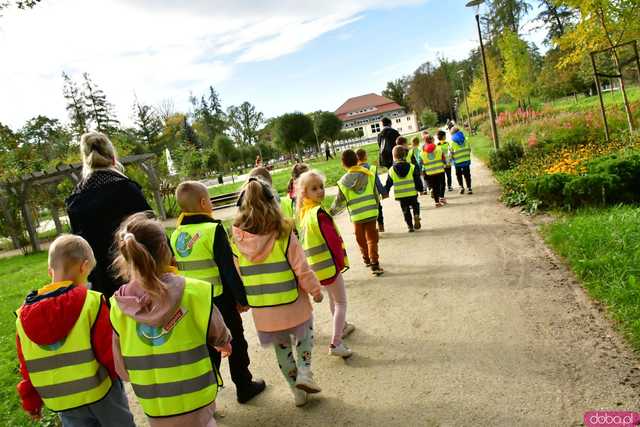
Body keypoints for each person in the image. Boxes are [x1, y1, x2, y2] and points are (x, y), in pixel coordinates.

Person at [111, 213, 231, 427]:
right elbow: (217, 328)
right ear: (166, 251)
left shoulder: (118, 305)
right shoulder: (192, 291)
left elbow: (121, 366)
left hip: (155, 403)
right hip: (196, 394)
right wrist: (223, 341)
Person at [15, 234, 135, 427]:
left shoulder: (23, 317)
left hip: (64, 401)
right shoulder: (92, 302)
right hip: (101, 393)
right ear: (84, 266)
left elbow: (26, 366)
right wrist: (129, 375)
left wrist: (31, 401)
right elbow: (109, 352)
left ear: (49, 270)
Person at [170, 181, 266, 404]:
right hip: (220, 301)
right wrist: (241, 299)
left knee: (207, 348)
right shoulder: (212, 230)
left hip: (193, 302)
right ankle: (244, 385)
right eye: (210, 200)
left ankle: (207, 394)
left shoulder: (176, 235)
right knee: (235, 342)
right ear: (204, 203)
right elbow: (228, 269)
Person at [232, 178, 324, 407]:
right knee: (305, 335)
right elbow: (301, 267)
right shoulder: (283, 233)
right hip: (293, 303)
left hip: (264, 309)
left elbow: (238, 274)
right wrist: (315, 290)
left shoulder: (237, 240)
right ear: (273, 202)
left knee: (282, 350)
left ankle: (297, 393)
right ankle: (305, 372)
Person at [65, 131, 151, 298]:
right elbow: (151, 233)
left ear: (85, 160)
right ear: (112, 157)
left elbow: (80, 249)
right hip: (138, 278)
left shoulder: (76, 201)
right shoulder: (127, 190)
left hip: (102, 288)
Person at [296, 170, 355, 358]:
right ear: (305, 192)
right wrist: (339, 262)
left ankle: (342, 326)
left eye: (321, 187)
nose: (320, 191)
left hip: (316, 268)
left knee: (333, 299)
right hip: (329, 266)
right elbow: (333, 242)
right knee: (341, 302)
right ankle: (336, 342)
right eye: (314, 188)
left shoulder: (304, 213)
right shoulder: (319, 213)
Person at [332, 150, 384, 275]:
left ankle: (366, 258)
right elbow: (375, 193)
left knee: (360, 238)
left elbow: (339, 200)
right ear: (357, 160)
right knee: (372, 239)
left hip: (356, 215)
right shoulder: (369, 174)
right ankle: (375, 263)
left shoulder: (343, 182)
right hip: (371, 212)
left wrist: (331, 211)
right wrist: (376, 206)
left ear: (343, 164)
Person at [385, 145, 424, 232]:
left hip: (401, 195)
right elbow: (417, 180)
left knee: (405, 210)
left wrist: (385, 192)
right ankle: (416, 215)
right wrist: (421, 189)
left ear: (394, 157)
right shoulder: (412, 167)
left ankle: (410, 226)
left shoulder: (391, 170)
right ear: (405, 155)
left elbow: (388, 183)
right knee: (415, 205)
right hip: (412, 193)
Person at [356, 148, 387, 233]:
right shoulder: (372, 168)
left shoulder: (355, 171)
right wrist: (384, 193)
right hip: (374, 195)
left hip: (362, 197)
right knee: (378, 209)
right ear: (366, 156)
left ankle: (371, 229)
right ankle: (381, 225)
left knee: (367, 213)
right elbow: (378, 182)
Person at [421, 133, 447, 207]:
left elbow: (421, 162)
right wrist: (444, 163)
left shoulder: (422, 152)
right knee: (442, 184)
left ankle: (437, 202)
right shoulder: (439, 149)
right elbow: (443, 159)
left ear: (425, 142)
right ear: (432, 140)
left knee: (435, 187)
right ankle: (442, 197)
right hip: (440, 171)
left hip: (430, 172)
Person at [449, 126, 473, 194]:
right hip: (466, 160)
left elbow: (451, 153)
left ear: (452, 133)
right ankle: (469, 188)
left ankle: (461, 187)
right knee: (467, 174)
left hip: (457, 161)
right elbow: (469, 149)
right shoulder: (465, 139)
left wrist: (451, 159)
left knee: (458, 174)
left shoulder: (452, 142)